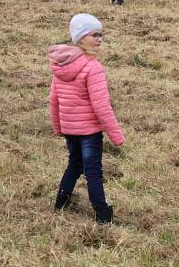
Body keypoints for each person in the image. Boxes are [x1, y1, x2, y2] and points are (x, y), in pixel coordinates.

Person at [49, 13, 125, 223]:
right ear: (81, 37)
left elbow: (53, 99)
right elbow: (101, 106)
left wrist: (59, 126)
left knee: (74, 165)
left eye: (101, 35)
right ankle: (102, 214)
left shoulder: (62, 65)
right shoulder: (93, 68)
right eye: (95, 35)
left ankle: (60, 203)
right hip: (89, 132)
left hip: (70, 130)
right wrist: (116, 135)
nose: (100, 39)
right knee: (93, 172)